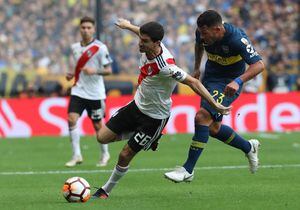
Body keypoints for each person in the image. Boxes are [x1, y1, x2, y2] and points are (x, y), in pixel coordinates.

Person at [92, 18, 231, 199]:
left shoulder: (166, 66)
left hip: (154, 117)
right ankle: (148, 137)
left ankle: (106, 190)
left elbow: (194, 82)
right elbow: (140, 31)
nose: (140, 43)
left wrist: (214, 104)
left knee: (125, 154)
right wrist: (127, 26)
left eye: (145, 41)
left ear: (157, 43)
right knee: (101, 138)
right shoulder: (149, 43)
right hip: (136, 106)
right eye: (140, 39)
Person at [164, 10, 265, 183]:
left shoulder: (236, 39)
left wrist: (237, 82)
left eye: (205, 33)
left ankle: (187, 170)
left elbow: (259, 65)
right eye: (201, 33)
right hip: (210, 78)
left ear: (218, 29)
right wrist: (196, 67)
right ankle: (249, 147)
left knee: (202, 117)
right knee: (213, 128)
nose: (203, 37)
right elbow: (198, 45)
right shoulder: (201, 33)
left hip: (228, 83)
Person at [65, 16, 112, 167]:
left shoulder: (100, 48)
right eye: (83, 27)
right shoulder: (74, 47)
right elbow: (78, 67)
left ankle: (105, 154)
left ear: (93, 29)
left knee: (98, 126)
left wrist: (95, 71)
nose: (86, 30)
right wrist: (72, 74)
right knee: (72, 119)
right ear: (79, 29)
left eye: (88, 28)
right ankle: (76, 155)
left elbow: (108, 70)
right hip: (78, 90)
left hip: (95, 94)